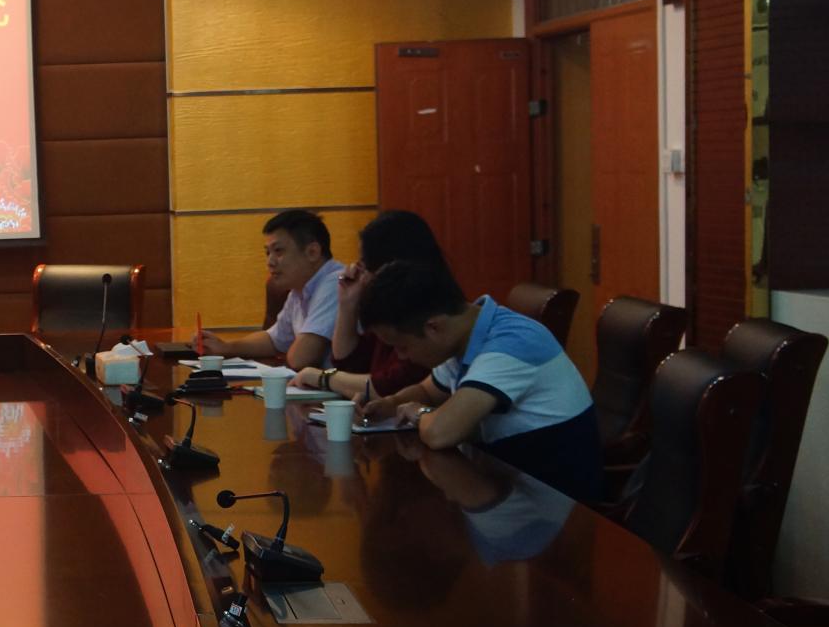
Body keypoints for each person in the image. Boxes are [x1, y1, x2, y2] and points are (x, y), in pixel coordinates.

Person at [356, 259, 601, 501]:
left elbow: (441, 433)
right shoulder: (465, 334)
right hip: (503, 481)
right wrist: (391, 403)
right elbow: (427, 391)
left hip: (554, 502)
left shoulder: (512, 344)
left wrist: (418, 412)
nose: (401, 356)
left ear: (434, 328)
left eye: (401, 346)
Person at [295, 209, 441, 400]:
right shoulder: (391, 308)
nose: (361, 273)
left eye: (366, 265)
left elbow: (388, 386)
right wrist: (347, 304)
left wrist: (321, 378)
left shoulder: (428, 312)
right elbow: (350, 364)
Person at [196, 209, 343, 371]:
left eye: (278, 251)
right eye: (267, 252)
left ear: (312, 252)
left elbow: (301, 359)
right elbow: (274, 339)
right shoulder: (299, 289)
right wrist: (225, 348)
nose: (270, 262)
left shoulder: (337, 283)